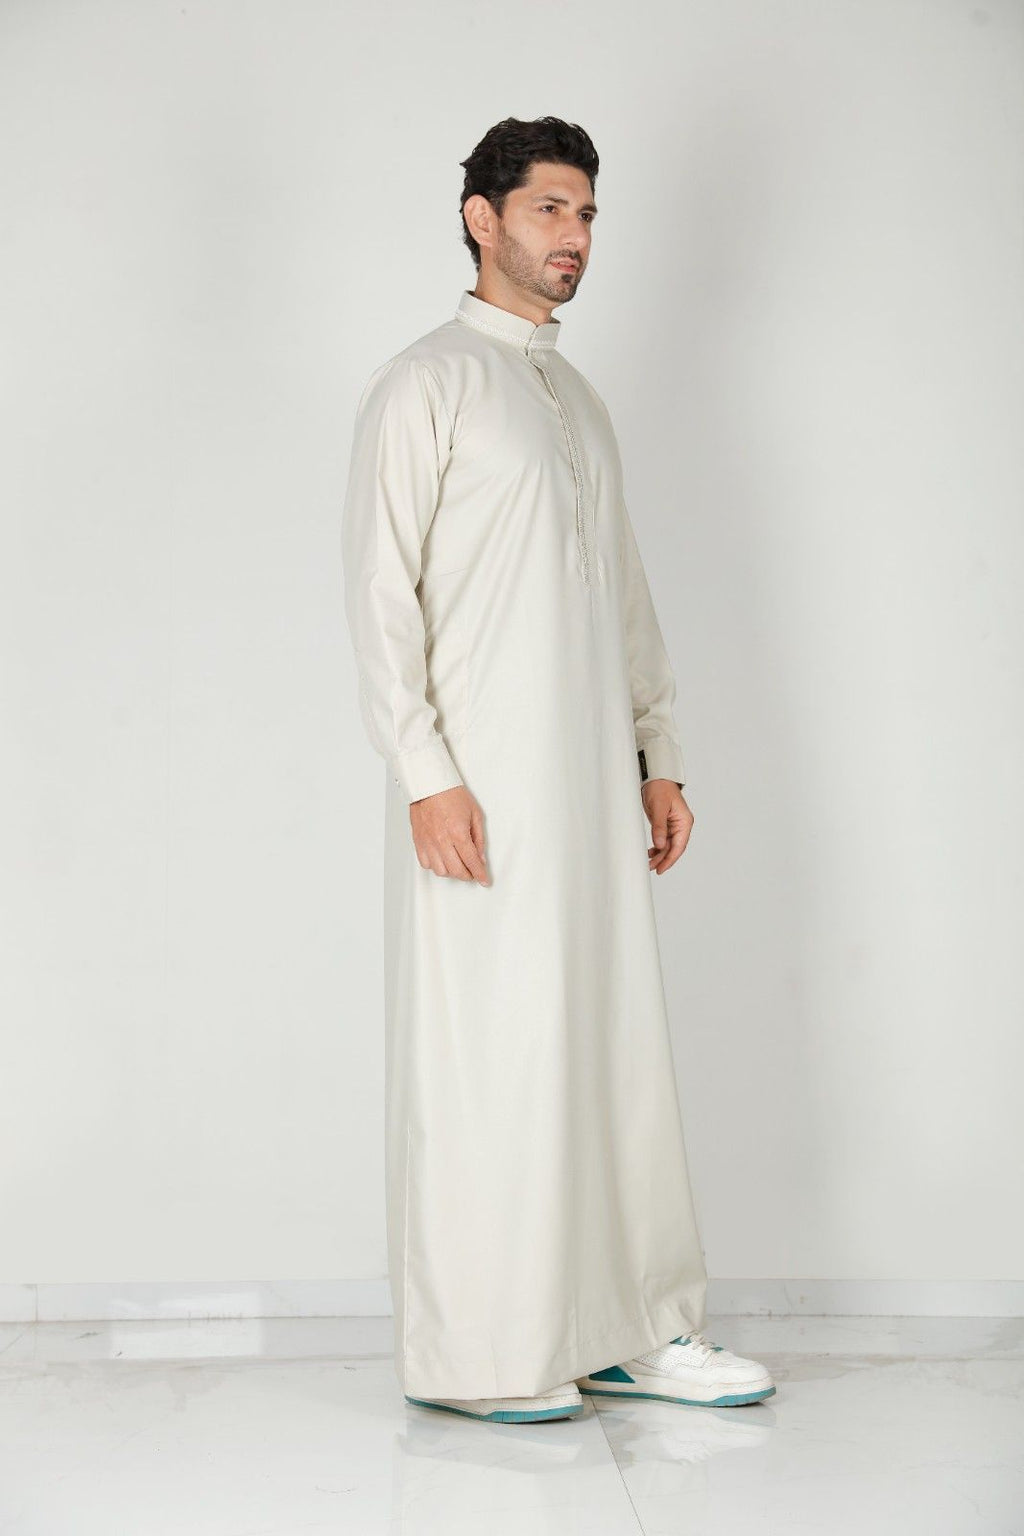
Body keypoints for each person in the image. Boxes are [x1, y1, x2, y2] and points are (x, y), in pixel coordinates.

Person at [340, 115, 775, 1425]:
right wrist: (427, 773)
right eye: (549, 209)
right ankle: (484, 1356)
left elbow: (623, 594)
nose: (575, 237)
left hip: (591, 787)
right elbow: (380, 597)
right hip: (483, 794)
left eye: (587, 214)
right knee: (493, 1060)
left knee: (612, 1052)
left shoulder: (576, 400)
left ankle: (634, 1329)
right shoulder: (425, 384)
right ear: (483, 219)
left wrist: (658, 754)